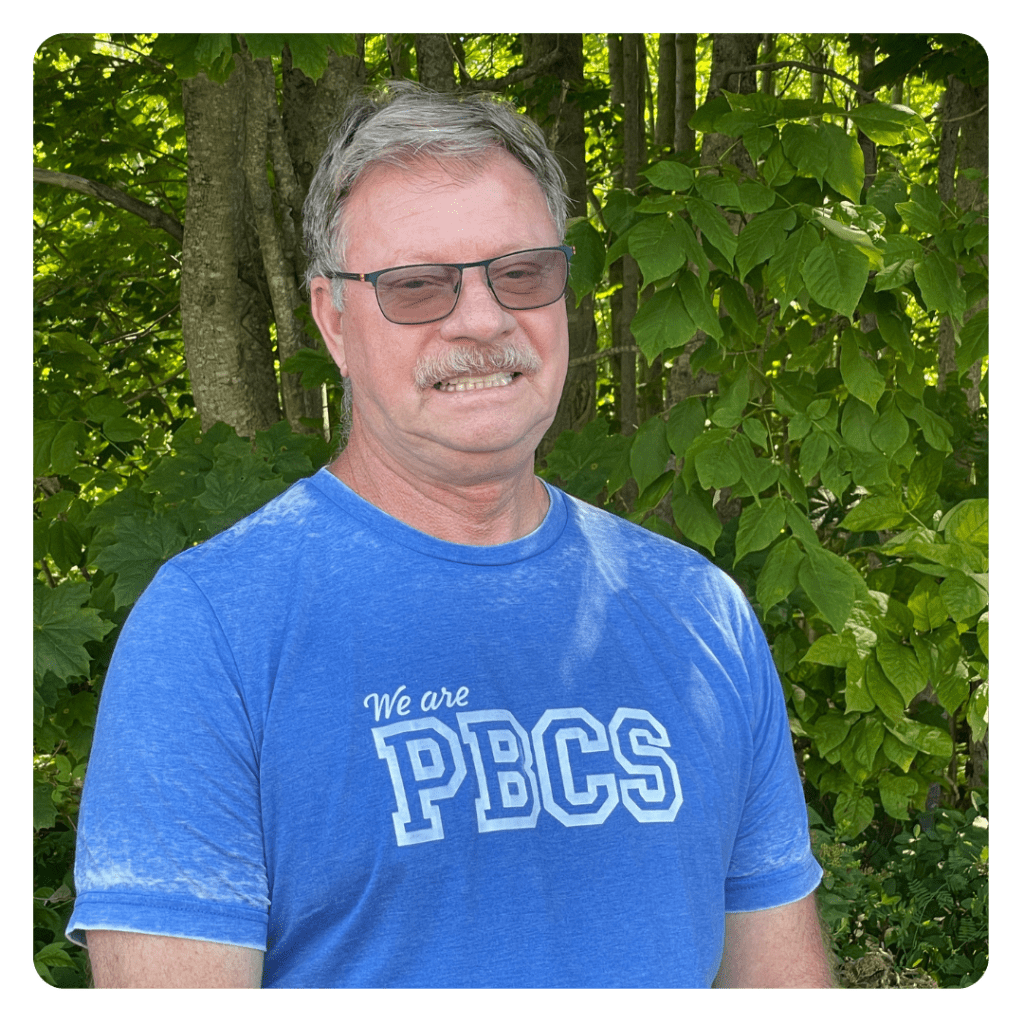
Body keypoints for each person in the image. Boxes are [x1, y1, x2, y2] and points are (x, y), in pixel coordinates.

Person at [67, 85, 833, 989]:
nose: (481, 318)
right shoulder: (212, 630)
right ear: (333, 319)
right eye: (417, 286)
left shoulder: (698, 614)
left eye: (522, 273)